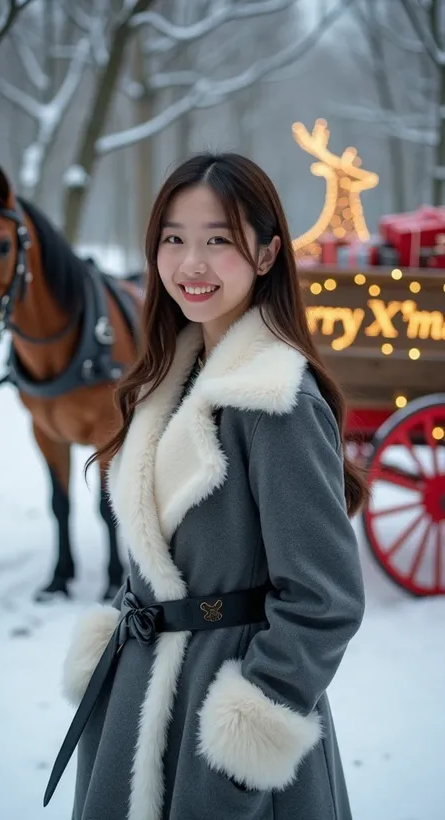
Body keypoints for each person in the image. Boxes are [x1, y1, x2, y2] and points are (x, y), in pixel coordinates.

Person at [46, 153, 366, 820]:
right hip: (137, 700)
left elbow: (324, 599)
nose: (191, 263)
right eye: (173, 237)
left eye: (218, 239)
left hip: (221, 717)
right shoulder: (163, 382)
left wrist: (242, 748)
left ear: (268, 252)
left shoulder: (275, 400)